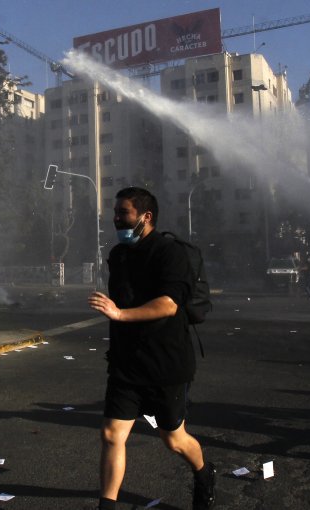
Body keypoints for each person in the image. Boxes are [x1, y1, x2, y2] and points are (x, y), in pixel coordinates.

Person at [88, 187, 215, 510]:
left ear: (146, 217)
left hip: (166, 364)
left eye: (123, 213)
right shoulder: (118, 255)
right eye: (115, 212)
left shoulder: (170, 253)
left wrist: (119, 314)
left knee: (173, 440)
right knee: (111, 435)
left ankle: (203, 472)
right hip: (125, 364)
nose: (116, 218)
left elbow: (169, 304)